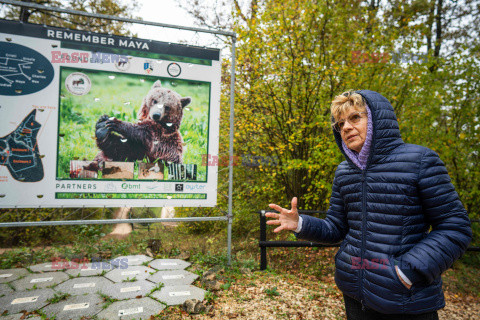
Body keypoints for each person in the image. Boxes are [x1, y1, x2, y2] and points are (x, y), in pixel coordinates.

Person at [265, 90, 472, 319]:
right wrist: (299, 224)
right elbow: (335, 228)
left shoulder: (420, 161)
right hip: (355, 294)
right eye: (340, 123)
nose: (345, 127)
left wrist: (406, 273)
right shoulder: (344, 172)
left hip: (405, 299)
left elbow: (455, 227)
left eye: (355, 118)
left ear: (376, 121)